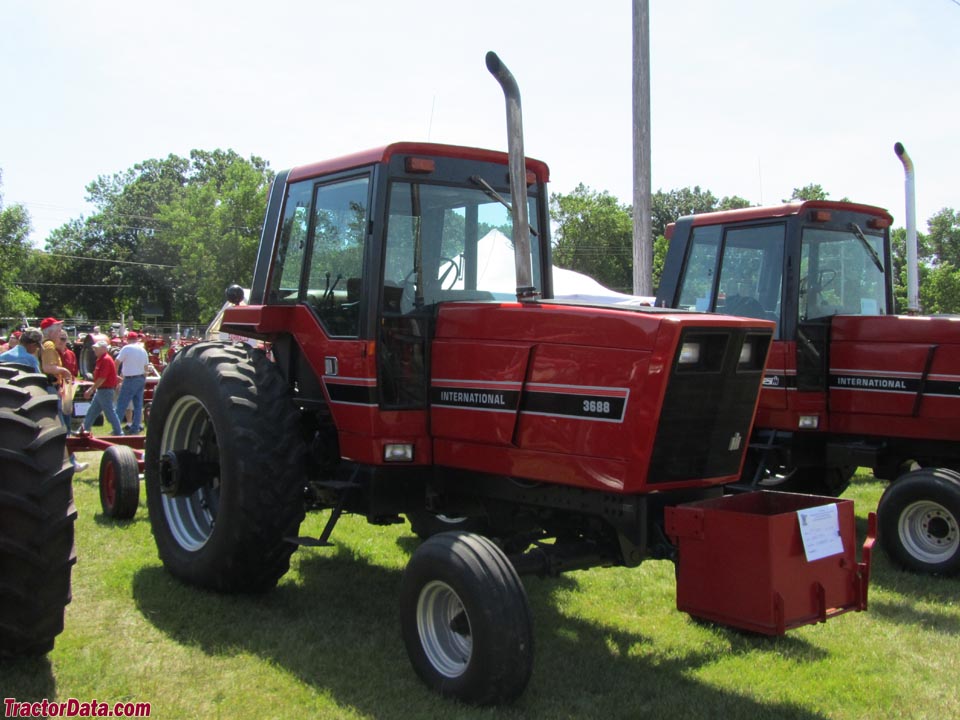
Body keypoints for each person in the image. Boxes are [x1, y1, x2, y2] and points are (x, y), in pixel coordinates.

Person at [82, 340, 124, 437]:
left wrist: (91, 389)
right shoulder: (101, 359)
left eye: (97, 348)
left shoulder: (105, 359)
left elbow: (102, 378)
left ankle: (119, 432)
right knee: (92, 411)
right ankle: (84, 429)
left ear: (104, 349)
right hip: (102, 390)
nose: (94, 350)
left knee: (109, 412)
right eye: (94, 348)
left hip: (105, 390)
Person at [114, 331, 150, 435]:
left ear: (128, 339)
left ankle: (116, 428)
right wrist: (144, 377)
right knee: (138, 405)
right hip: (141, 378)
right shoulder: (143, 350)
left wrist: (116, 375)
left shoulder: (127, 348)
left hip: (130, 379)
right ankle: (135, 427)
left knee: (122, 403)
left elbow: (117, 362)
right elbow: (146, 367)